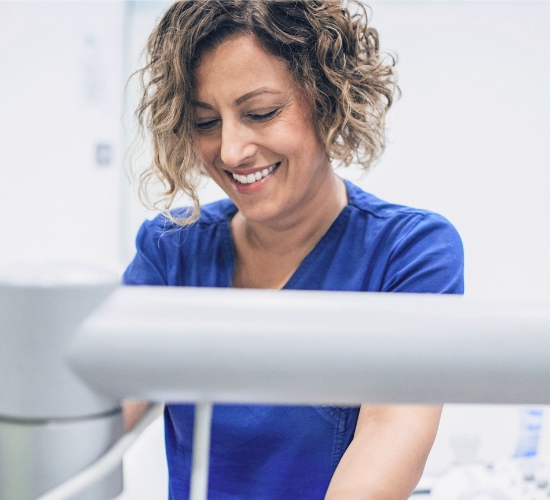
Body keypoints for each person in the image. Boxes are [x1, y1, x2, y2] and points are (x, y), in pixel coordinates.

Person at [122, 1, 462, 499]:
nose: (232, 151)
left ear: (328, 98)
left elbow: (392, 430)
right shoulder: (170, 251)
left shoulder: (407, 253)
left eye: (260, 113)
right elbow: (91, 428)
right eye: (206, 122)